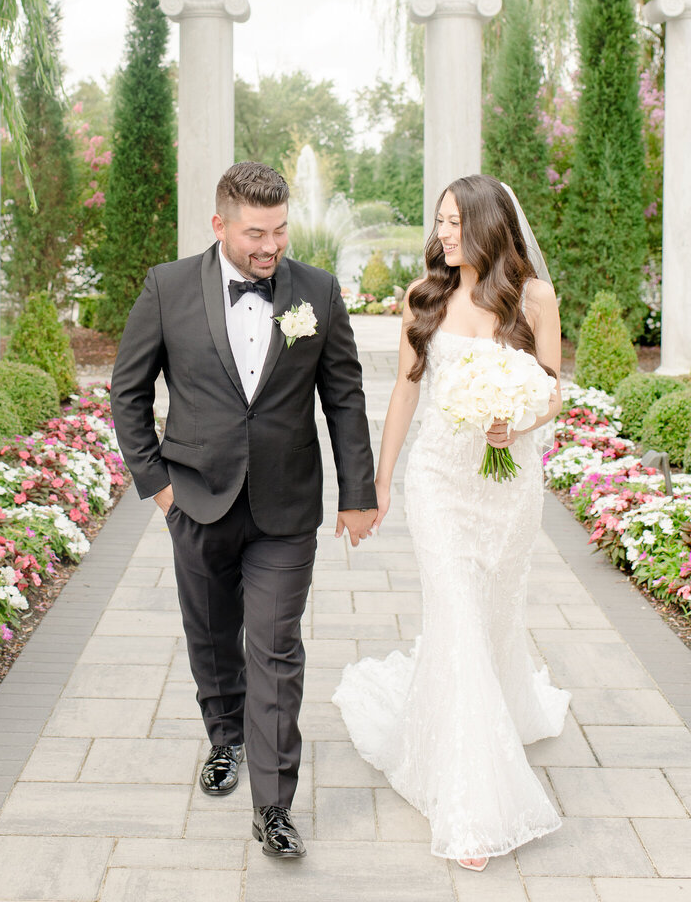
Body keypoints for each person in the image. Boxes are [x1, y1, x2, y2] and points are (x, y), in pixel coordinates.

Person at [111, 161, 377, 859]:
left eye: (280, 230)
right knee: (210, 634)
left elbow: (343, 396)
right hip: (195, 499)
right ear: (219, 224)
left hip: (286, 508)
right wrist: (160, 488)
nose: (271, 247)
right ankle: (224, 737)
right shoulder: (167, 287)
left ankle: (274, 807)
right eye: (256, 233)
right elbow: (128, 392)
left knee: (276, 647)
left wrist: (358, 494)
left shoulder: (316, 290)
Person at [333, 174, 570, 872]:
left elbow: (553, 385)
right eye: (439, 221)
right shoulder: (424, 297)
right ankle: (475, 807)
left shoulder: (535, 298)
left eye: (456, 222)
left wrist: (517, 416)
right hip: (437, 483)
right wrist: (376, 484)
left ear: (492, 226)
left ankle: (503, 713)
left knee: (494, 615)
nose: (444, 233)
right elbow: (405, 398)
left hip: (508, 485)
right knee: (458, 619)